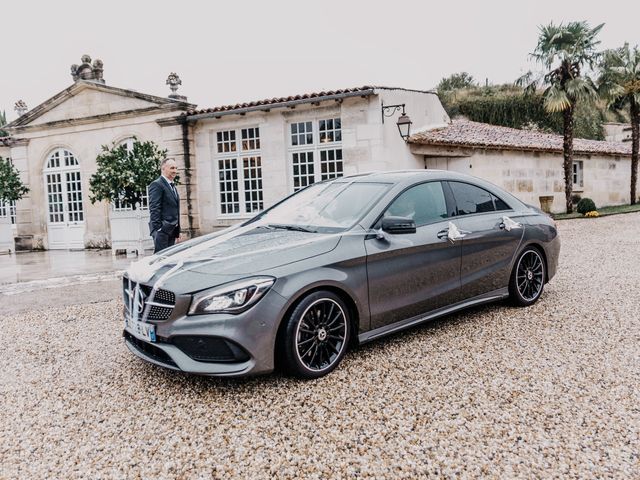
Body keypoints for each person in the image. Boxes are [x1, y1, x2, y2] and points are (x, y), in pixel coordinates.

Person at [148, 158, 180, 253]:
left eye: (176, 168)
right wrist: (159, 229)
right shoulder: (156, 184)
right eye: (172, 168)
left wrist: (178, 230)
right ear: (163, 168)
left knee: (169, 260)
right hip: (162, 231)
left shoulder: (172, 185)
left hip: (172, 230)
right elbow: (154, 208)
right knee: (161, 260)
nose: (175, 171)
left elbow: (175, 209)